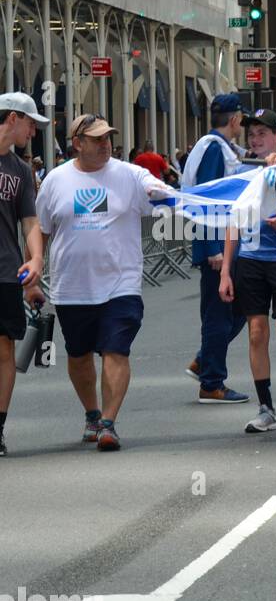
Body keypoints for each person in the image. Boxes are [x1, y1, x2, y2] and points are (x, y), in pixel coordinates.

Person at [27, 113, 171, 451]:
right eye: (96, 139)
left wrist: (159, 190)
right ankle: (92, 413)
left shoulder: (130, 174)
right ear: (77, 143)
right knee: (78, 356)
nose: (105, 143)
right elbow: (39, 230)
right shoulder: (56, 181)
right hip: (72, 286)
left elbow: (161, 193)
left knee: (115, 350)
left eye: (108, 137)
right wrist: (32, 274)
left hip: (121, 283)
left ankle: (108, 423)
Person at [216, 108, 276, 434]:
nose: (255, 140)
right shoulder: (242, 173)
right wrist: (226, 270)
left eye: (262, 134)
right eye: (251, 135)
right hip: (251, 261)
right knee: (256, 332)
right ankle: (266, 407)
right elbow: (234, 222)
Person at [182, 93, 250, 404]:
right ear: (235, 119)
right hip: (218, 244)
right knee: (219, 315)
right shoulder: (213, 149)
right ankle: (211, 381)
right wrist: (213, 248)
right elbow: (207, 200)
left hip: (224, 241)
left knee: (235, 310)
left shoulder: (214, 146)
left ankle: (205, 360)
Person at [0, 93, 48, 457]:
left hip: (5, 270)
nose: (34, 131)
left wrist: (36, 262)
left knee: (5, 350)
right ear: (13, 118)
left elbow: (29, 221)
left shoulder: (19, 170)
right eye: (31, 123)